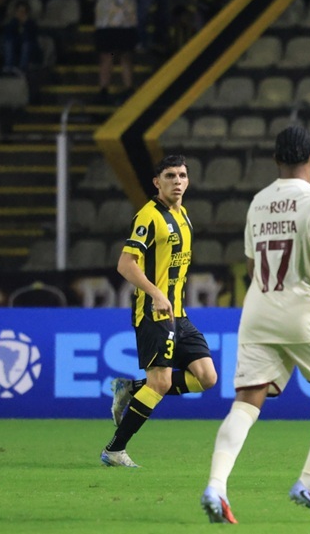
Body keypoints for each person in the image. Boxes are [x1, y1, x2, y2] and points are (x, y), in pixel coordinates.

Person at [200, 126, 310, 524]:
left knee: (246, 401)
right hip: (301, 310)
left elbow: (256, 267)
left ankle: (216, 485)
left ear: (275, 160)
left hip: (258, 309)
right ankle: (309, 480)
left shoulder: (258, 202)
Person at [100, 154, 218, 468]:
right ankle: (114, 450)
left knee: (206, 377)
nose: (177, 182)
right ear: (157, 182)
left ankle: (131, 388)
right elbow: (126, 264)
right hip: (154, 313)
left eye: (181, 176)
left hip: (179, 314)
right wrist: (155, 293)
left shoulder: (184, 215)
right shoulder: (148, 216)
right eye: (169, 176)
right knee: (162, 383)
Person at [85, 0, 143, 104]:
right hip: (105, 21)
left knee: (126, 55)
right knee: (106, 56)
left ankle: (129, 87)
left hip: (125, 20)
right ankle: (104, 89)